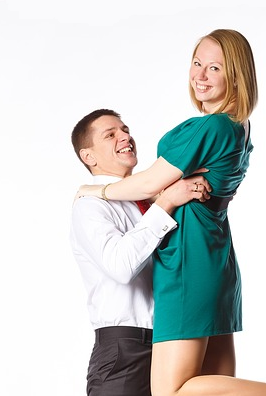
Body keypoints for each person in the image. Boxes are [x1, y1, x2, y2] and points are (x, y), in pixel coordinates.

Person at [76, 30, 266, 396]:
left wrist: (97, 189)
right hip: (215, 257)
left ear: (236, 76)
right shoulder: (239, 129)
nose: (200, 75)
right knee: (219, 387)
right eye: (197, 63)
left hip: (190, 260)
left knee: (170, 391)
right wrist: (168, 194)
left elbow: (148, 183)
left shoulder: (212, 126)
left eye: (214, 67)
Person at [69, 108, 212, 396]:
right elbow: (121, 266)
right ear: (89, 156)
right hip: (125, 354)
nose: (125, 137)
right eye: (110, 135)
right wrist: (167, 202)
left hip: (172, 344)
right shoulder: (90, 206)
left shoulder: (146, 199)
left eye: (125, 130)